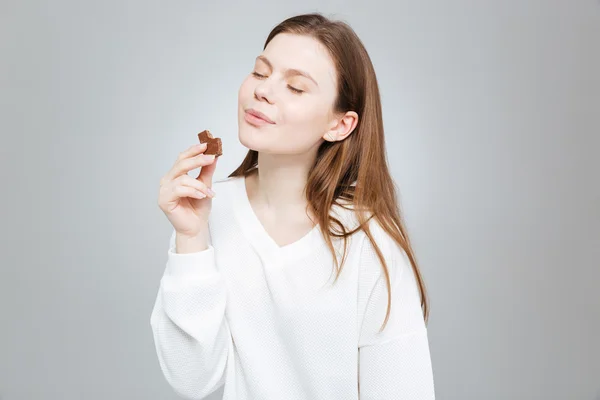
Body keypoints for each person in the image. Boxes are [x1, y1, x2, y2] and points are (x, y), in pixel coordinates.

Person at [151, 12, 435, 400]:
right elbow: (192, 380)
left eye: (296, 87)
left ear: (340, 125)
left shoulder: (370, 241)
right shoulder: (207, 213)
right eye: (260, 72)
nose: (263, 91)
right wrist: (190, 239)